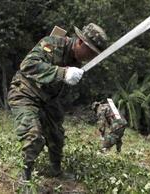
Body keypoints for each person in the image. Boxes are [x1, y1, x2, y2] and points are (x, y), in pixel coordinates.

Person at [8, 23, 108, 180]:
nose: (91, 57)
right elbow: (27, 65)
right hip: (25, 92)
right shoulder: (52, 43)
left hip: (48, 100)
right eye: (90, 52)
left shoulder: (77, 61)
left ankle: (56, 170)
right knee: (33, 135)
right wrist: (63, 72)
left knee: (57, 136)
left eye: (94, 54)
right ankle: (25, 177)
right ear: (80, 42)